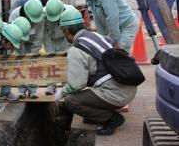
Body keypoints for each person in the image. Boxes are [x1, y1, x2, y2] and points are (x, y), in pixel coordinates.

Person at [53, 8, 137, 143]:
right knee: (86, 93)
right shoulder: (96, 36)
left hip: (116, 93)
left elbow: (77, 84)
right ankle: (97, 115)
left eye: (63, 32)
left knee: (71, 101)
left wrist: (61, 92)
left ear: (66, 31)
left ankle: (111, 119)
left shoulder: (76, 50)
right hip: (127, 86)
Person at [71, 0, 139, 52]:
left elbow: (112, 18)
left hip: (127, 26)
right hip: (116, 28)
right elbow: (98, 20)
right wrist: (101, 40)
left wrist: (115, 40)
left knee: (118, 54)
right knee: (107, 52)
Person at [9, 0, 45, 99]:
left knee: (33, 65)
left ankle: (33, 90)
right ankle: (21, 90)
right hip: (19, 42)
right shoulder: (14, 15)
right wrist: (21, 52)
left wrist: (34, 55)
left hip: (33, 42)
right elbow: (13, 36)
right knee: (20, 64)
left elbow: (39, 37)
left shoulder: (40, 17)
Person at [43, 0, 72, 95]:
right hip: (50, 39)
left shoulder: (70, 12)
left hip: (65, 39)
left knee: (66, 61)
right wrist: (49, 50)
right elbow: (44, 34)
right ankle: (51, 85)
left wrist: (67, 49)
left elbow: (72, 33)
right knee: (51, 62)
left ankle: (65, 84)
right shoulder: (44, 14)